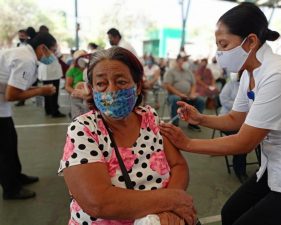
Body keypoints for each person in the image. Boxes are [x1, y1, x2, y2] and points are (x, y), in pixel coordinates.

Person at [160, 3, 281, 225]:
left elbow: (244, 142)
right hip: (271, 165)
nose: (219, 54)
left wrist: (187, 144)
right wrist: (201, 118)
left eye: (224, 45)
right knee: (230, 213)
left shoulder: (280, 74)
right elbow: (236, 118)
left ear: (251, 41)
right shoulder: (249, 73)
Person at [58, 47, 197, 225]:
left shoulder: (150, 117)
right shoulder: (83, 129)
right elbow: (98, 202)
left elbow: (178, 165)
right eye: (101, 84)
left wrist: (164, 214)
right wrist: (172, 201)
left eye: (121, 82)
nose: (111, 90)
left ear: (138, 86)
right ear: (92, 90)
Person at [0, 32, 57, 200]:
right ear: (42, 48)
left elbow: (15, 89)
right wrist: (42, 91)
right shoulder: (26, 60)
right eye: (52, 51)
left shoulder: (23, 54)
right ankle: (11, 189)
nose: (53, 55)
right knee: (4, 148)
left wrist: (39, 90)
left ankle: (16, 176)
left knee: (11, 140)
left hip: (1, 101)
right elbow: (11, 95)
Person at [219, 72, 248, 183]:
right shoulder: (231, 84)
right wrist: (240, 107)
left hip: (247, 121)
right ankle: (240, 170)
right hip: (228, 120)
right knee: (241, 140)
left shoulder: (255, 85)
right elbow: (223, 99)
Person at [163, 52, 205, 131]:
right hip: (174, 95)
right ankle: (174, 124)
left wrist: (192, 93)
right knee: (175, 99)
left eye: (186, 60)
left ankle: (193, 123)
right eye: (183, 60)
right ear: (178, 61)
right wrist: (180, 94)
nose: (185, 62)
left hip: (188, 96)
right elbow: (167, 85)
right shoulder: (171, 71)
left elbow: (193, 84)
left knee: (200, 101)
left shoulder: (188, 72)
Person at [65, 50, 90, 119]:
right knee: (77, 115)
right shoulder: (72, 71)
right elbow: (67, 86)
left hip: (89, 93)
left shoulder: (91, 69)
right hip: (76, 94)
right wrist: (77, 93)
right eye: (81, 57)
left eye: (85, 57)